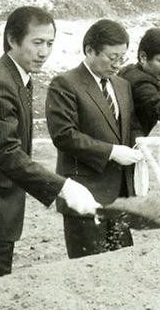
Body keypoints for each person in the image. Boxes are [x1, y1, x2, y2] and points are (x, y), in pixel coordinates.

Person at [0, 7, 100, 287]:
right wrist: (63, 186)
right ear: (13, 40)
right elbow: (7, 153)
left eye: (50, 43)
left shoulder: (17, 77)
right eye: (37, 42)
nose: (44, 52)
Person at [46, 19, 145, 259]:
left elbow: (130, 126)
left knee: (123, 266)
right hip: (85, 194)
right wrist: (111, 152)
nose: (118, 64)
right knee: (90, 268)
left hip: (120, 196)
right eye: (112, 57)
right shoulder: (66, 84)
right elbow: (64, 135)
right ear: (90, 50)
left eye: (122, 57)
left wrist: (140, 143)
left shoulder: (122, 85)